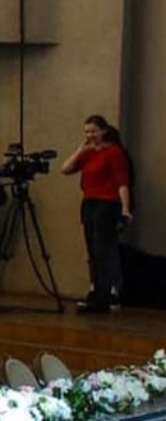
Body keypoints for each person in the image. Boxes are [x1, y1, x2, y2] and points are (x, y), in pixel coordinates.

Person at [61, 114, 135, 314]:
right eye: (87, 131)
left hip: (107, 204)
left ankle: (112, 292)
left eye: (93, 131)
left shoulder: (114, 152)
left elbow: (122, 183)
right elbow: (65, 168)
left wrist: (126, 209)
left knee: (105, 248)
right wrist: (80, 149)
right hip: (89, 203)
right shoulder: (88, 153)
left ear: (103, 131)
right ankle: (95, 289)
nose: (90, 135)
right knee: (92, 249)